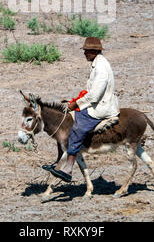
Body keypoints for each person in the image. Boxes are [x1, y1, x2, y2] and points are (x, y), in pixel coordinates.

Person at [48, 37, 120, 183]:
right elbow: (89, 91)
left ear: (94, 51)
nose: (85, 53)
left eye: (87, 51)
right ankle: (59, 161)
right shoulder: (96, 63)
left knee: (76, 128)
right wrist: (76, 101)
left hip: (101, 107)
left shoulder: (100, 68)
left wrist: (77, 104)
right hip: (96, 103)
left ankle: (68, 168)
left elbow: (95, 95)